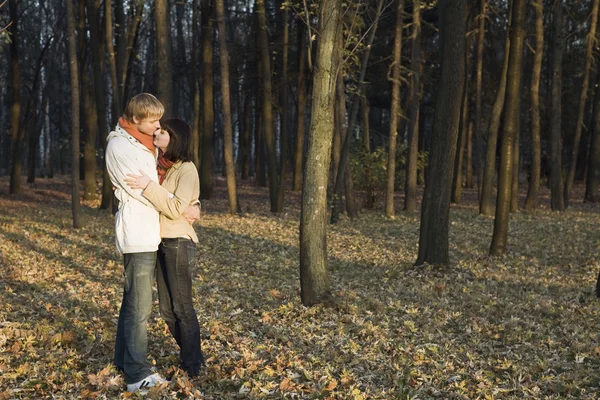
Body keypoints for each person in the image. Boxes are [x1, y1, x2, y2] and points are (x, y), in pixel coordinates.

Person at [125, 118, 205, 377]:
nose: (158, 132)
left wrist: (149, 187)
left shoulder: (186, 169)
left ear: (176, 139)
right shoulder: (160, 165)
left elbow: (173, 207)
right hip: (160, 240)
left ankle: (192, 366)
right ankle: (192, 354)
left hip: (178, 241)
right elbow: (178, 203)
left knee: (182, 307)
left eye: (164, 131)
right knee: (167, 310)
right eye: (158, 129)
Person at [105, 93, 168, 392]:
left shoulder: (143, 143)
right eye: (153, 120)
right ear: (135, 119)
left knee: (132, 302)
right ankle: (136, 375)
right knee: (140, 306)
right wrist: (176, 203)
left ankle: (123, 361)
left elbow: (152, 183)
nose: (158, 126)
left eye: (159, 119)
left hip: (148, 229)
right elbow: (142, 189)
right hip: (137, 231)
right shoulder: (119, 145)